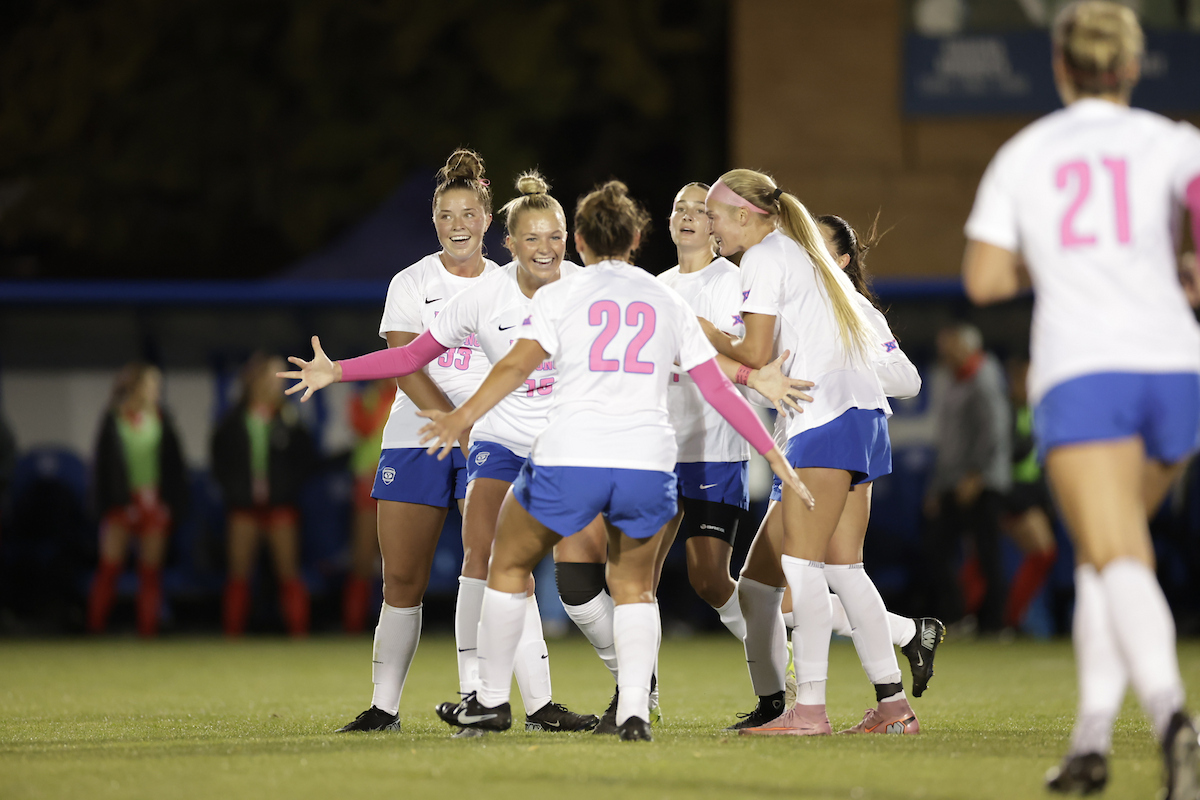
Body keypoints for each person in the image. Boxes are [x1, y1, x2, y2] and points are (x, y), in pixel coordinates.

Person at [281, 174, 808, 735]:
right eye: (532, 236)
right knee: (629, 587)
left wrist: (437, 407)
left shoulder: (565, 294)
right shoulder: (665, 297)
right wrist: (771, 448)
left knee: (501, 564)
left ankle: (489, 699)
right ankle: (631, 708)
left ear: (576, 240)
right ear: (636, 241)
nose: (545, 247)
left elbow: (509, 365)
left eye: (554, 236)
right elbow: (716, 382)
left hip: (569, 456)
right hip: (642, 461)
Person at [961, 2, 1200, 794]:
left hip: (1087, 369)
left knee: (1116, 552)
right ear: (1132, 68)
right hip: (1177, 369)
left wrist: (1050, 260)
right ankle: (1090, 741)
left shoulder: (1027, 152)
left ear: (1061, 67)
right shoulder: (1177, 142)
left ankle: (1173, 718)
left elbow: (985, 280)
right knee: (1109, 556)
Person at [699, 171, 913, 738]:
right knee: (846, 568)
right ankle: (894, 708)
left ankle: (810, 712)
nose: (709, 225)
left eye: (715, 214)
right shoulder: (800, 251)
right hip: (862, 418)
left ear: (746, 215)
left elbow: (754, 352)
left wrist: (695, 329)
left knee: (801, 568)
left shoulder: (765, 257)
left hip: (824, 418)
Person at [211, 353, 316, 637]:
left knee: (289, 574)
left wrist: (286, 490)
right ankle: (232, 635)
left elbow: (304, 461)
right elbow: (220, 461)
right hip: (244, 508)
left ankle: (299, 634)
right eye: (272, 375)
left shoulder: (289, 420)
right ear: (254, 379)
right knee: (238, 575)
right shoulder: (234, 420)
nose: (277, 383)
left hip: (280, 507)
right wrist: (236, 492)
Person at [922, 323, 1011, 634]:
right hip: (953, 480)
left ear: (968, 347)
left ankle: (996, 623)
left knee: (987, 552)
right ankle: (959, 617)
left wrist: (977, 475)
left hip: (981, 481)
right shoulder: (954, 379)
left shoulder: (984, 376)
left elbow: (995, 431)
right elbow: (948, 442)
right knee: (938, 549)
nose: (945, 354)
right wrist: (937, 486)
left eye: (951, 347)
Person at [87, 363, 188, 637]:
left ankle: (148, 631)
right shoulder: (113, 419)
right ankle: (95, 629)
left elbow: (174, 465)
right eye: (151, 385)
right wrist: (112, 503)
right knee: (110, 567)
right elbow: (104, 467)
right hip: (121, 503)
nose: (156, 390)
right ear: (134, 387)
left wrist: (171, 503)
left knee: (150, 571)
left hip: (153, 501)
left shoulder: (162, 418)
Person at [1000, 356, 1059, 631]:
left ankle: (1007, 618)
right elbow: (1004, 453)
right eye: (1022, 379)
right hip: (1012, 493)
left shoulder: (1040, 410)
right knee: (1043, 552)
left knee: (1042, 555)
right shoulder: (1006, 410)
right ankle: (1008, 618)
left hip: (1034, 494)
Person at [342, 380, 394, 633]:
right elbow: (361, 427)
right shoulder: (369, 398)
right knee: (363, 559)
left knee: (398, 560)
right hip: (368, 481)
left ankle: (394, 625)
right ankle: (354, 627)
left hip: (402, 481)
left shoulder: (417, 393)